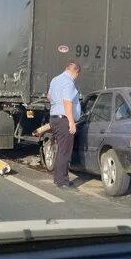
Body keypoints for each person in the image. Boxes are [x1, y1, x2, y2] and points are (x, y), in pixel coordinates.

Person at [47, 60, 82, 190]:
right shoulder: (69, 83)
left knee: (61, 150)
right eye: (77, 74)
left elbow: (49, 97)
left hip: (54, 118)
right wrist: (72, 122)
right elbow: (67, 102)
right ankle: (62, 181)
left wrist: (57, 103)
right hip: (64, 120)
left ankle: (60, 179)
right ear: (75, 71)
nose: (76, 77)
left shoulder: (55, 80)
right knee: (65, 151)